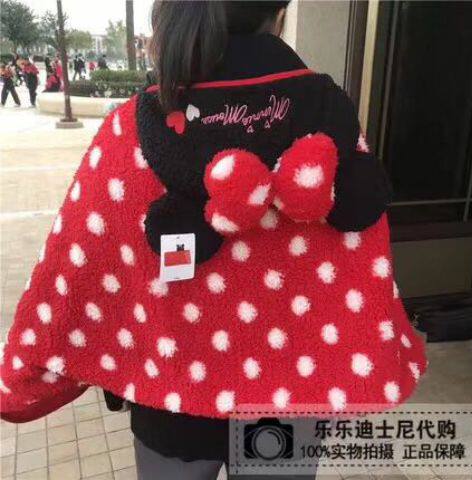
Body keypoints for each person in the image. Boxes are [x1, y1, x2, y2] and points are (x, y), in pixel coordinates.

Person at [0, 2, 427, 480]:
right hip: (291, 398)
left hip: (170, 397)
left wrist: (25, 375)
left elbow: (75, 270)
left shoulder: (131, 130)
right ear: (280, 13)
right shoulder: (334, 122)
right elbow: (362, 266)